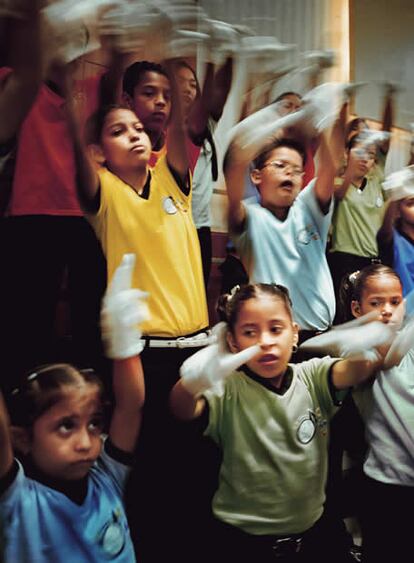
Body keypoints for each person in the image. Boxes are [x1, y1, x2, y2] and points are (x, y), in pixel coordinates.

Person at [67, 66, 210, 561]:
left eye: (137, 128)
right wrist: (70, 93)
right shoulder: (103, 192)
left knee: (199, 472)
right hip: (143, 359)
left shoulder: (172, 175)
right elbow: (74, 132)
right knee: (150, 481)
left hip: (198, 349)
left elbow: (177, 121)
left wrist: (171, 54)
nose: (134, 135)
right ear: (97, 151)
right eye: (117, 130)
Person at [170, 282, 391, 563]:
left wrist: (370, 347)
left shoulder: (312, 376)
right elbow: (181, 409)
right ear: (233, 342)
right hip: (242, 543)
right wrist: (191, 382)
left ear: (294, 334)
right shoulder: (227, 388)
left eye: (276, 329)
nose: (265, 341)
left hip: (312, 536)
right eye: (250, 332)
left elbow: (354, 370)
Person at [0, 254, 147, 562]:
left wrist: (124, 345)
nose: (86, 443)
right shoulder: (17, 501)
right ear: (23, 438)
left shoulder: (105, 477)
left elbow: (130, 407)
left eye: (94, 424)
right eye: (66, 426)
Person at [0, 5, 106, 391]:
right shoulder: (14, 81)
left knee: (89, 320)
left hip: (79, 218)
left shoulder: (90, 91)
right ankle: (23, 399)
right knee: (27, 323)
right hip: (26, 216)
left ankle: (87, 398)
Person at [224, 98, 345, 338]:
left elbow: (329, 169)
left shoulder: (308, 208)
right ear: (257, 176)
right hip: (276, 335)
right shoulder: (249, 216)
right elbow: (235, 165)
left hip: (320, 330)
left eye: (297, 169)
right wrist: (269, 119)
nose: (289, 171)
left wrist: (320, 124)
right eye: (280, 165)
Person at [338, 263, 413, 563]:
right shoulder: (357, 349)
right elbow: (370, 360)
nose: (387, 310)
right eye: (376, 303)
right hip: (387, 484)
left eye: (395, 302)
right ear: (357, 309)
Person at [328, 86, 394, 313]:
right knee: (347, 316)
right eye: (359, 151)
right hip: (345, 260)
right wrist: (346, 100)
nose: (365, 158)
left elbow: (386, 142)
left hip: (374, 260)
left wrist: (390, 97)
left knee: (374, 318)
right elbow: (337, 143)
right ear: (347, 152)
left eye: (370, 154)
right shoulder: (338, 181)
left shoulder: (376, 178)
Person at [377, 166, 414, 295]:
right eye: (411, 203)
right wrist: (395, 193)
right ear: (397, 211)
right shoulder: (392, 240)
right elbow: (385, 230)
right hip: (402, 311)